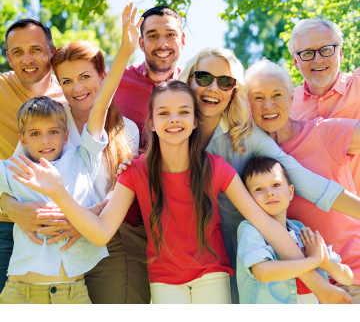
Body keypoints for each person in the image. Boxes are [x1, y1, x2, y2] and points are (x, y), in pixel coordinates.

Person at [9, 80, 349, 304]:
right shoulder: (138, 171)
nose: (175, 120)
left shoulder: (216, 167)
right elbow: (99, 233)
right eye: (164, 113)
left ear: (194, 121)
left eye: (184, 112)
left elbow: (267, 225)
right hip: (164, 279)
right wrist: (58, 192)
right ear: (152, 123)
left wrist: (321, 286)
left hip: (212, 274)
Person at [120, 47, 357, 304]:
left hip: (247, 258)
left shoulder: (246, 136)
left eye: (225, 82)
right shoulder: (169, 138)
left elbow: (305, 182)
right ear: (188, 80)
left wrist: (319, 285)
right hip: (176, 271)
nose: (213, 87)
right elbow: (135, 183)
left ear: (234, 91)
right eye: (203, 78)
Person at [0, 4, 140, 304]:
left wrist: (125, 52)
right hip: (45, 254)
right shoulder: (48, 121)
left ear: (102, 76)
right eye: (66, 81)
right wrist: (11, 206)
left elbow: (120, 192)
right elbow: (12, 174)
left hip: (97, 238)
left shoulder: (115, 132)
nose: (76, 88)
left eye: (85, 77)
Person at [244, 57, 360, 302]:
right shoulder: (249, 155)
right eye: (258, 97)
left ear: (291, 98)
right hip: (298, 290)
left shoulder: (323, 132)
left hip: (351, 274)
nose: (268, 105)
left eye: (277, 95)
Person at [112, 5, 186, 302]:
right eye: (152, 35)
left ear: (182, 41)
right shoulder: (117, 82)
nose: (162, 43)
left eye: (170, 34)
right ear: (140, 42)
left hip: (181, 224)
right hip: (128, 221)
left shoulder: (193, 87)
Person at [0, 19, 67, 292]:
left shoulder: (73, 93)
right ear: (8, 57)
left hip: (62, 227)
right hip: (5, 228)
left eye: (36, 49)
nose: (27, 59)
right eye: (17, 52)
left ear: (52, 51)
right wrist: (9, 206)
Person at [237, 157, 353, 304]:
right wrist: (313, 260)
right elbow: (263, 272)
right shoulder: (250, 230)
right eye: (259, 189)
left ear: (291, 192)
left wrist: (325, 263)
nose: (269, 193)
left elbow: (347, 277)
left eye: (276, 184)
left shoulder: (301, 230)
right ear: (247, 199)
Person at [289, 19, 360, 201]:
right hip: (308, 227)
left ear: (340, 52)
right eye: (307, 53)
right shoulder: (286, 104)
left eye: (326, 49)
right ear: (295, 61)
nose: (318, 59)